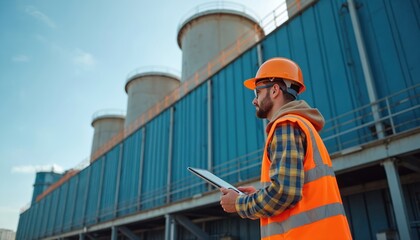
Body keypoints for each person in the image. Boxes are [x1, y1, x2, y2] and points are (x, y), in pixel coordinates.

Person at [219, 57, 352, 239]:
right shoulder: (300, 124)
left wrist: (240, 203)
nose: (254, 101)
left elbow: (284, 193)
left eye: (257, 92)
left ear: (274, 90)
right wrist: (259, 194)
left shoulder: (286, 125)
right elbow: (295, 190)